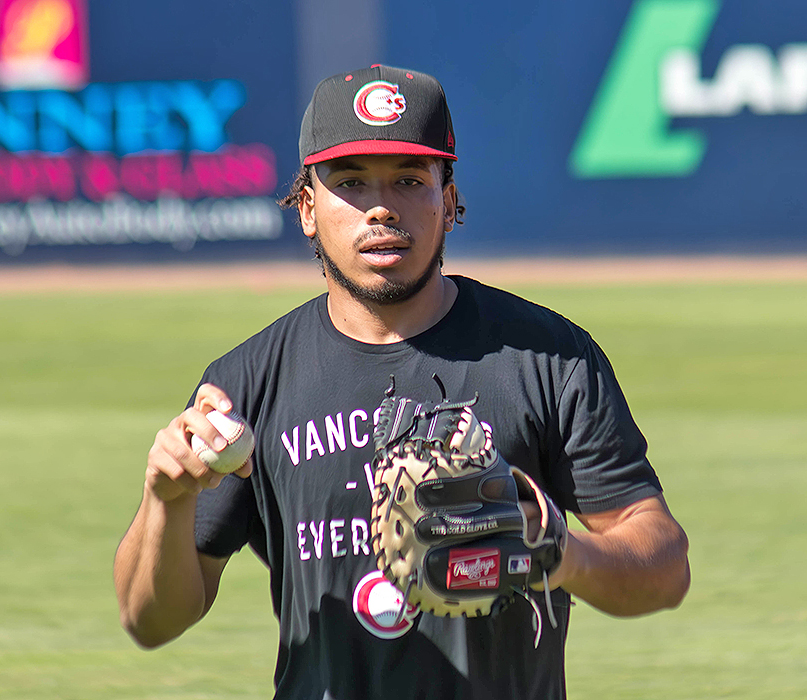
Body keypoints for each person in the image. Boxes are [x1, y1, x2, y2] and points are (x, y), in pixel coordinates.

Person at [113, 65, 690, 700]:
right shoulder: (246, 384)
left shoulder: (548, 358)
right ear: (307, 207)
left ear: (447, 200)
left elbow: (663, 567)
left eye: (410, 181)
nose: (381, 206)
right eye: (351, 182)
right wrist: (165, 502)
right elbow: (150, 620)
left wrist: (559, 551)